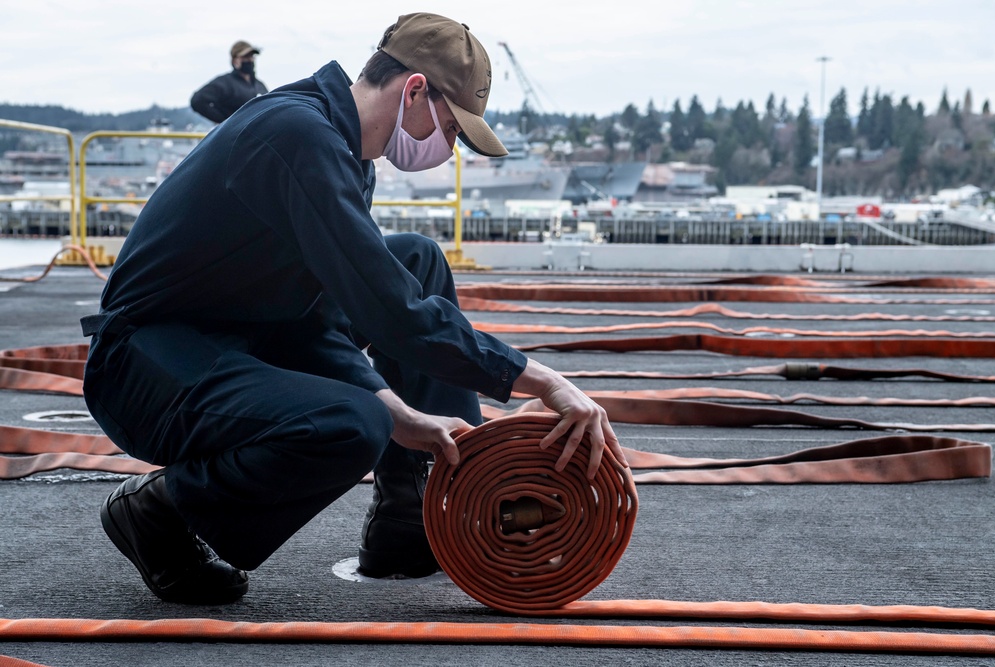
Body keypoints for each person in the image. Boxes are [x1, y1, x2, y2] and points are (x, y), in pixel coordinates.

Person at [82, 12, 627, 605]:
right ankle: (160, 512)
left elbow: (315, 321)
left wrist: (404, 415)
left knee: (415, 259)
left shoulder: (343, 151)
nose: (448, 149)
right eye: (450, 129)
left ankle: (415, 512)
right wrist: (540, 379)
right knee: (350, 424)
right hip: (149, 366)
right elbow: (390, 308)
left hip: (239, 341)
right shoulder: (297, 135)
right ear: (414, 89)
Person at [190, 40, 268, 123]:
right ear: (235, 61)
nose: (250, 60)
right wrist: (226, 123)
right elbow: (197, 100)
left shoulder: (260, 85)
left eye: (251, 56)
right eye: (245, 57)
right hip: (236, 134)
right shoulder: (225, 83)